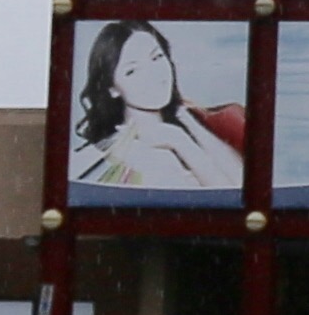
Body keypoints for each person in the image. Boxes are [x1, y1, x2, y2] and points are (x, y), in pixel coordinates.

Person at [71, 21, 245, 189]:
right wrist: (179, 140)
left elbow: (241, 183)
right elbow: (228, 195)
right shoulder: (134, 152)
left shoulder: (185, 122)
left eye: (157, 57)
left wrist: (187, 120)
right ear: (112, 89)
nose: (153, 74)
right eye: (132, 70)